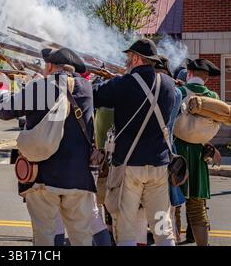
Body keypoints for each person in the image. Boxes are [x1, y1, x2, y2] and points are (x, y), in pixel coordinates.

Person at [0, 48, 111, 246]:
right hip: (79, 177)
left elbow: (4, 110)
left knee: (45, 237)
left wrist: (2, 87)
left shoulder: (40, 86)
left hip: (44, 177)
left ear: (49, 65)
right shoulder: (86, 88)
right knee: (82, 237)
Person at [93, 38, 176, 246]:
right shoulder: (168, 84)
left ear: (137, 58)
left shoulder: (123, 83)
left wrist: (110, 81)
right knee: (161, 226)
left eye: (129, 57)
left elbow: (94, 96)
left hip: (130, 165)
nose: (127, 61)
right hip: (159, 164)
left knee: (126, 227)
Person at [174, 58, 221, 246]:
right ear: (207, 78)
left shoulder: (179, 92)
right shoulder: (214, 97)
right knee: (196, 206)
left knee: (174, 205)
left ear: (189, 73)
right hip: (200, 152)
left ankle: (172, 241)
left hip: (177, 152)